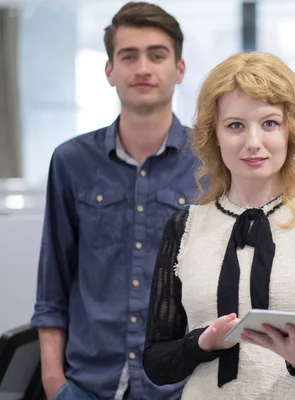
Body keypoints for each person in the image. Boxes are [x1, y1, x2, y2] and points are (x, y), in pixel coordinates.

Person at [142, 52, 295, 399]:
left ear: (290, 130)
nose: (253, 142)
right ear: (214, 135)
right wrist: (201, 343)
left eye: (269, 123)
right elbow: (157, 360)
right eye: (235, 125)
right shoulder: (183, 226)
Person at [30, 2, 197, 399]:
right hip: (88, 385)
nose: (143, 67)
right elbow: (53, 282)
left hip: (182, 387)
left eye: (157, 55)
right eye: (128, 55)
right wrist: (54, 382)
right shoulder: (71, 161)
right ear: (110, 71)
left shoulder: (210, 163)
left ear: (179, 69)